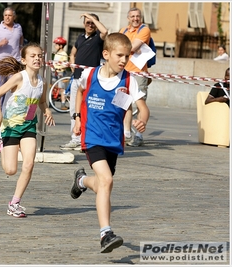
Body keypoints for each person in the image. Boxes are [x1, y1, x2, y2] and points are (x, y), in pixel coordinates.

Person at [71, 32, 149, 253]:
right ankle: (106, 233)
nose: (124, 61)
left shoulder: (129, 80)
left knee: (102, 184)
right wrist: (77, 118)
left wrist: (141, 120)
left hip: (113, 141)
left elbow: (143, 108)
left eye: (127, 56)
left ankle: (82, 180)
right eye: (120, 56)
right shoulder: (89, 74)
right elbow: (79, 91)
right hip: (92, 137)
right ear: (106, 54)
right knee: (106, 180)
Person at [0, 43, 55, 217]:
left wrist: (47, 111)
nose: (37, 59)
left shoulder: (42, 82)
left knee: (29, 163)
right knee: (10, 170)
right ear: (24, 60)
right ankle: (1, 145)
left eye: (39, 56)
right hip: (10, 126)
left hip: (29, 126)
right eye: (32, 56)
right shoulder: (19, 78)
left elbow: (40, 101)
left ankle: (15, 203)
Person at [60, 13, 108, 151]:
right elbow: (73, 53)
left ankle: (88, 140)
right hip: (77, 78)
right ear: (83, 24)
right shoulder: (80, 38)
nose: (90, 25)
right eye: (87, 22)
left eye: (93, 22)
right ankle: (75, 138)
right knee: (74, 110)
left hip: (91, 79)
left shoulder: (98, 37)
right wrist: (72, 64)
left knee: (90, 109)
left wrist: (91, 17)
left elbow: (105, 31)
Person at [119, 7, 152, 147]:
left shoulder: (144, 30)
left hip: (139, 72)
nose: (135, 18)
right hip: (124, 71)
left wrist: (130, 47)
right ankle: (126, 133)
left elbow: (130, 48)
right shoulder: (123, 31)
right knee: (123, 103)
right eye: (132, 16)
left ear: (141, 17)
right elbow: (121, 47)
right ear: (128, 18)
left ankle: (138, 135)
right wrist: (131, 47)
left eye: (137, 16)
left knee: (139, 104)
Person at [0, 6, 24, 111]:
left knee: (14, 86)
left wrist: (20, 47)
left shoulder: (18, 27)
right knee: (0, 86)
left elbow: (21, 37)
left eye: (10, 15)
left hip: (15, 62)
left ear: (14, 17)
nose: (7, 17)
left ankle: (10, 109)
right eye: (5, 15)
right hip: (1, 63)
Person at [52, 36, 69, 110]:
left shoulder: (63, 54)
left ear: (61, 46)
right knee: (54, 88)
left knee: (62, 89)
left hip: (60, 73)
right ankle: (51, 102)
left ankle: (63, 104)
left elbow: (64, 64)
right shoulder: (57, 53)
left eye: (56, 44)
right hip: (55, 72)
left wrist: (59, 67)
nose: (55, 46)